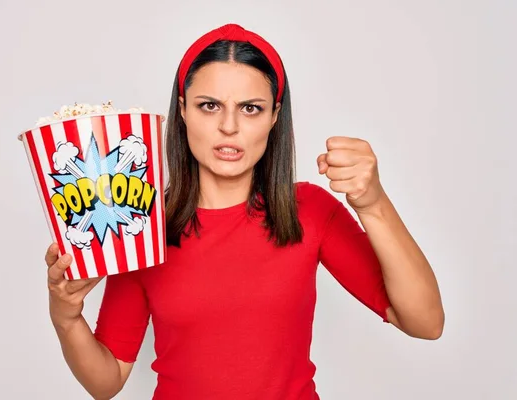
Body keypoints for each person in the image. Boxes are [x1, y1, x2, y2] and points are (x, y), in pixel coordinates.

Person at [44, 23, 445, 400]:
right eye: (209, 106)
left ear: (274, 115)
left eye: (251, 108)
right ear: (182, 111)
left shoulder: (308, 211)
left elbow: (425, 322)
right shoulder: (142, 223)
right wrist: (66, 316)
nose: (229, 126)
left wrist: (372, 202)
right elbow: (107, 380)